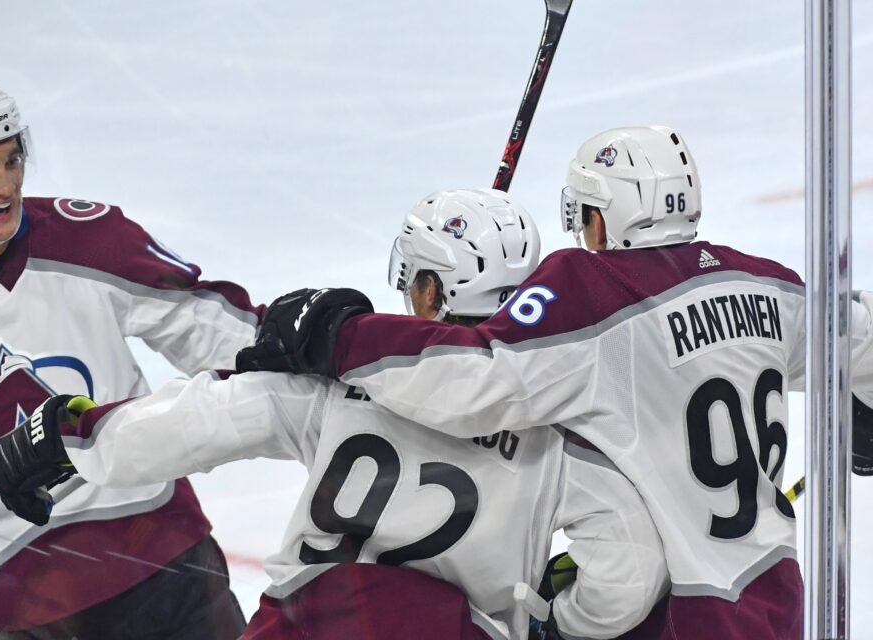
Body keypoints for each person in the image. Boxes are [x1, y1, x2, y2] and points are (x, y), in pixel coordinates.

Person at [235, 126, 873, 639]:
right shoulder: (764, 282)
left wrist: (337, 335)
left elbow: (475, 380)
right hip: (776, 597)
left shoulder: (594, 290)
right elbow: (863, 332)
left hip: (677, 613)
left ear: (601, 218)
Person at [0, 188, 668, 640]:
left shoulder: (346, 376)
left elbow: (204, 418)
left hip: (310, 625)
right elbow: (629, 564)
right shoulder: (552, 419)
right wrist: (563, 622)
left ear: (429, 287)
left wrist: (74, 431)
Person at [0, 70, 259, 639]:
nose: (6, 187)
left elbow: (215, 329)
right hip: (7, 603)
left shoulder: (87, 239)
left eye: (13, 161)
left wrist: (314, 350)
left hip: (159, 558)